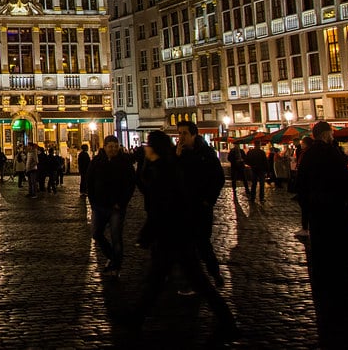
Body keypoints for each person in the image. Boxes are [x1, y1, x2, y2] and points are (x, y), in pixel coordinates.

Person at [125, 131, 238, 341]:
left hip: (173, 234)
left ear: (155, 148)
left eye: (148, 145)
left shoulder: (164, 171)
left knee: (168, 280)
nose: (145, 148)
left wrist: (147, 234)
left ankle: (135, 320)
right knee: (168, 280)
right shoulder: (164, 167)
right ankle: (136, 319)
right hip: (177, 234)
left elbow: (161, 207)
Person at [295, 120, 348, 326]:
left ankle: (323, 285)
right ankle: (341, 287)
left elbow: (300, 184)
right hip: (336, 210)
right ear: (325, 134)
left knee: (321, 249)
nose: (332, 136)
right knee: (340, 249)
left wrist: (307, 205)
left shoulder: (309, 155)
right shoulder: (333, 153)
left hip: (317, 210)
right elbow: (346, 180)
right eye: (330, 133)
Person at [176, 120, 226, 287]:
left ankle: (214, 273)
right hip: (184, 207)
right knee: (187, 245)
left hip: (201, 207)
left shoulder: (206, 153)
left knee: (203, 243)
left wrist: (208, 200)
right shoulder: (178, 153)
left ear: (194, 134)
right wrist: (176, 158)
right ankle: (193, 281)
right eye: (179, 133)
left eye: (185, 133)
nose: (181, 137)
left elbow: (218, 178)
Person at [87, 135, 136, 277]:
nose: (113, 149)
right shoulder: (97, 161)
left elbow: (130, 184)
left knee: (116, 237)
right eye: (110, 146)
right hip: (99, 205)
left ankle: (116, 267)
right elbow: (89, 181)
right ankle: (112, 257)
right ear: (105, 147)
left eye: (116, 146)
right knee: (96, 233)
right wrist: (93, 201)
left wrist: (122, 202)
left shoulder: (124, 162)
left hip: (116, 207)